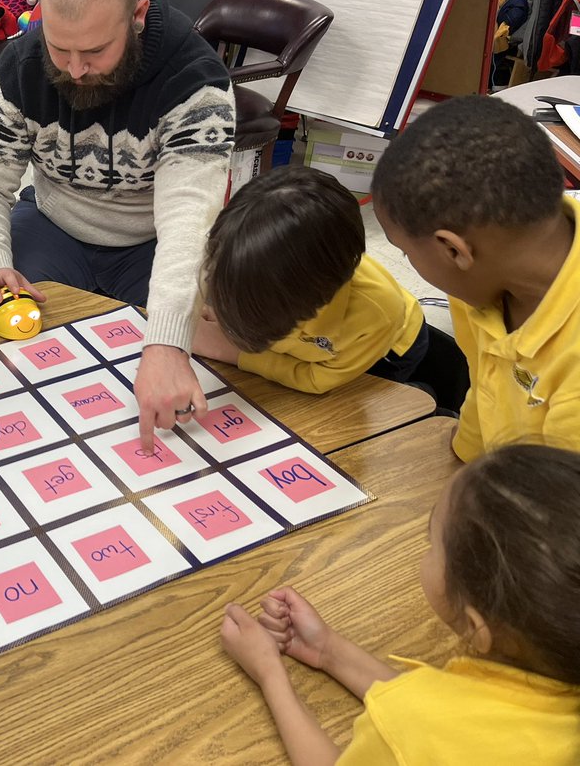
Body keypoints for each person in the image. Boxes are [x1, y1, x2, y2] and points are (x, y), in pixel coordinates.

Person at [0, 0, 235, 451]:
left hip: (152, 244)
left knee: (205, 358)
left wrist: (169, 342)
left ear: (138, 16)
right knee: (17, 365)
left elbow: (189, 216)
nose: (76, 69)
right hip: (54, 227)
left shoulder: (196, 80)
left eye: (95, 51)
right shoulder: (20, 66)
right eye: (60, 48)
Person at [219, 443, 580, 765]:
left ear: (475, 627)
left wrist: (269, 672)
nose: (426, 549)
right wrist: (327, 648)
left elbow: (425, 726)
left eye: (431, 542)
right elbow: (450, 718)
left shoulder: (418, 721)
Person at [371, 94, 579, 461]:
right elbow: (486, 389)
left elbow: (555, 508)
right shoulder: (480, 285)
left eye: (405, 251)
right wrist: (463, 455)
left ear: (453, 250)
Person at [192, 167, 460, 402]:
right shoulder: (237, 260)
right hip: (310, 341)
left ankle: (419, 394)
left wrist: (234, 353)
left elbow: (316, 379)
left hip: (387, 355)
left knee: (356, 406)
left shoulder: (375, 313)